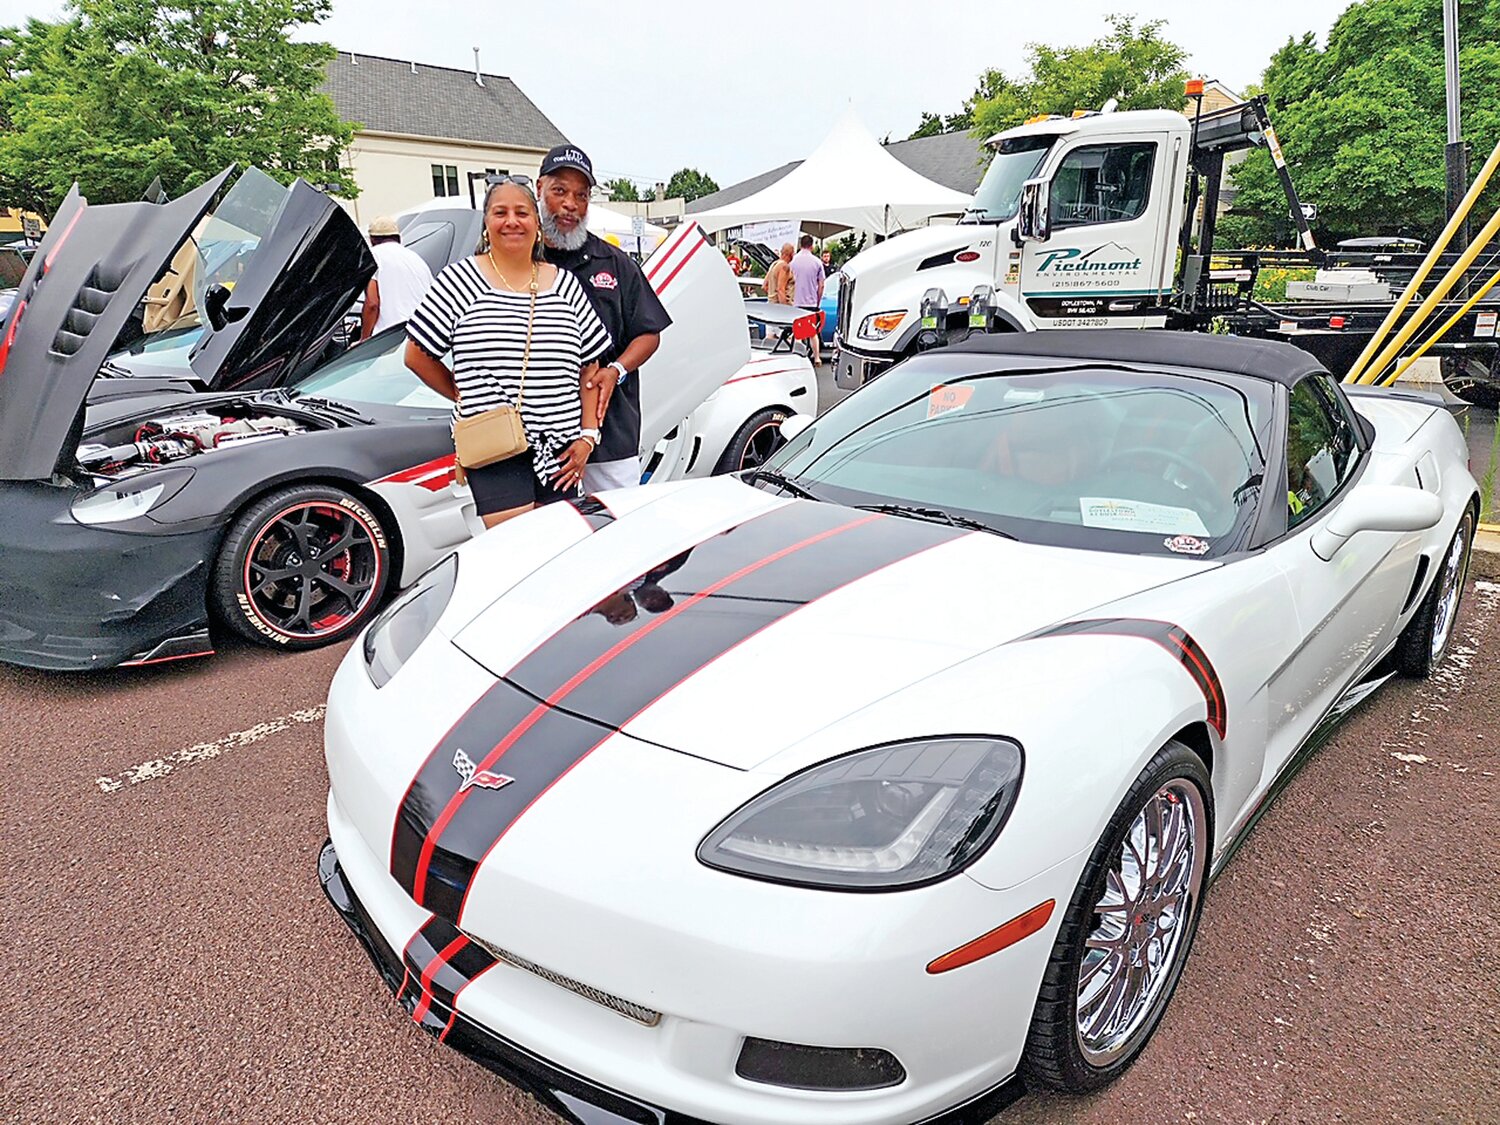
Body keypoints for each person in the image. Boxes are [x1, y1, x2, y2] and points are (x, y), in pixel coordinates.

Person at [404, 177, 611, 529]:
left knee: (558, 549)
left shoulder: (565, 285)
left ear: (537, 222)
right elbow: (417, 355)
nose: (512, 221)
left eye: (522, 213)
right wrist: (460, 392)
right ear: (486, 222)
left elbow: (589, 366)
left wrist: (588, 436)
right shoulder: (458, 282)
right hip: (494, 447)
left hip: (561, 448)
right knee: (516, 553)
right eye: (501, 213)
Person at [535, 144, 673, 492]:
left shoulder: (615, 263)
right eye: (560, 191)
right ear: (539, 190)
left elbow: (649, 333)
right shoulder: (519, 262)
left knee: (618, 530)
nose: (571, 204)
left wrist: (617, 370)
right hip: (537, 437)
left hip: (610, 434)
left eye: (581, 195)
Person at [360, 215, 433, 340]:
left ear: (372, 239)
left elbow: (372, 304)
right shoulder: (416, 258)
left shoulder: (373, 257)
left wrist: (363, 339)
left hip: (391, 337)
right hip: (422, 335)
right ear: (399, 237)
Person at [789, 234, 826, 365]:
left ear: (800, 245)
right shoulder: (817, 262)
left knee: (798, 332)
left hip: (796, 302)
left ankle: (798, 357)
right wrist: (818, 300)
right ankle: (817, 357)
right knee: (812, 331)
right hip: (811, 301)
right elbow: (821, 284)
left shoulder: (793, 262)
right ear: (812, 245)